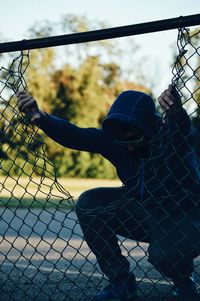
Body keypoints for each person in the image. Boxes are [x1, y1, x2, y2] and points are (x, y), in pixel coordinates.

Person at [16, 85, 200, 301]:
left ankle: (183, 280)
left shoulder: (170, 137)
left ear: (150, 127)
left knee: (163, 256)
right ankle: (121, 283)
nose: (129, 147)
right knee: (90, 203)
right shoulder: (116, 141)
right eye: (123, 141)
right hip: (144, 210)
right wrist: (42, 118)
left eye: (134, 139)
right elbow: (76, 135)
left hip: (186, 216)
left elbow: (182, 137)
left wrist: (177, 114)